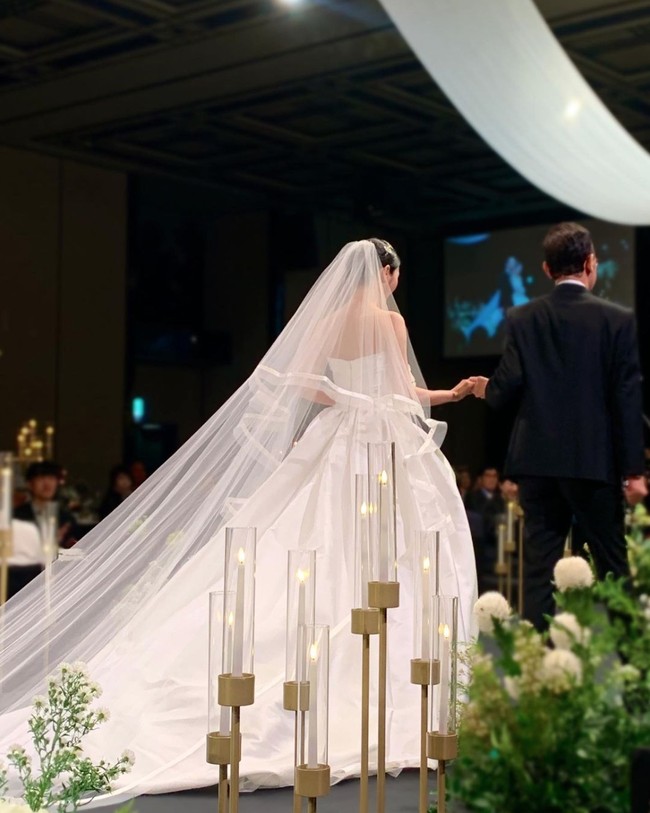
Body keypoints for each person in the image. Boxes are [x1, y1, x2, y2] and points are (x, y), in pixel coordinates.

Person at [0, 239, 477, 803]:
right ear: (388, 274)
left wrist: (346, 399)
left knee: (306, 541)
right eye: (396, 276)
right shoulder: (389, 323)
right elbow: (400, 393)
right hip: (380, 445)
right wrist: (449, 394)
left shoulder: (327, 321)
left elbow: (302, 382)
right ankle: (384, 684)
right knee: (393, 552)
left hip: (335, 440)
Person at [474, 222, 647, 630]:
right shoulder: (616, 319)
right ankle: (622, 658)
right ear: (590, 263)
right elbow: (626, 399)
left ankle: (538, 658)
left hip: (537, 464)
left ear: (547, 269)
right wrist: (634, 471)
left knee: (538, 572)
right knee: (611, 565)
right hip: (595, 464)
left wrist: (486, 388)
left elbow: (504, 389)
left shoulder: (522, 318)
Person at [13, 461, 78, 549]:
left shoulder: (67, 519)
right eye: (41, 478)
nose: (47, 483)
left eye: (51, 478)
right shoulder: (16, 516)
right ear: (29, 484)